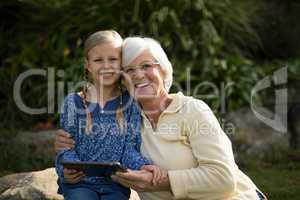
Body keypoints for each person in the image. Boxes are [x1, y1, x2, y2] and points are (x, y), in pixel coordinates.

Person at [55, 36, 267, 200]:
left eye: (147, 66)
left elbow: (224, 179)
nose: (138, 75)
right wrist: (66, 144)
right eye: (129, 70)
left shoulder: (192, 110)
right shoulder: (126, 117)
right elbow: (88, 135)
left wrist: (162, 182)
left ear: (163, 70)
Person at [55, 31, 165, 200]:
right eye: (98, 60)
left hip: (115, 183)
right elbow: (65, 148)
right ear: (88, 65)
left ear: (121, 63)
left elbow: (129, 148)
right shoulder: (73, 102)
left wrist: (144, 166)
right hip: (79, 183)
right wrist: (66, 171)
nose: (106, 66)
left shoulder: (130, 103)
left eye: (113, 59)